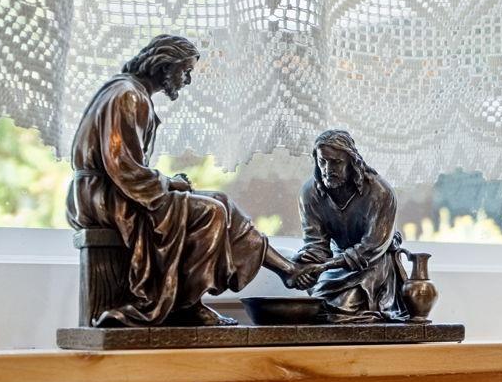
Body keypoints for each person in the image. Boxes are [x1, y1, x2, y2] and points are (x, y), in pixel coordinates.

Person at [65, 35, 313, 326]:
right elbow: (121, 166)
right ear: (163, 66)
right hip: (104, 199)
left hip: (116, 192)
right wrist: (168, 183)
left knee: (220, 201)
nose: (187, 80)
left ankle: (287, 269)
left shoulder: (132, 92)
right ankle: (186, 305)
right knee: (211, 214)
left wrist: (168, 183)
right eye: (185, 71)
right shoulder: (127, 95)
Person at [295, 129, 412, 322]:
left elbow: (372, 247)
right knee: (318, 306)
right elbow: (316, 245)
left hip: (372, 264)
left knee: (344, 310)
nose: (327, 169)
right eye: (322, 161)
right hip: (334, 266)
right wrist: (306, 267)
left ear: (352, 162)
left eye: (336, 162)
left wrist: (325, 265)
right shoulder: (309, 194)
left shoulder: (380, 192)